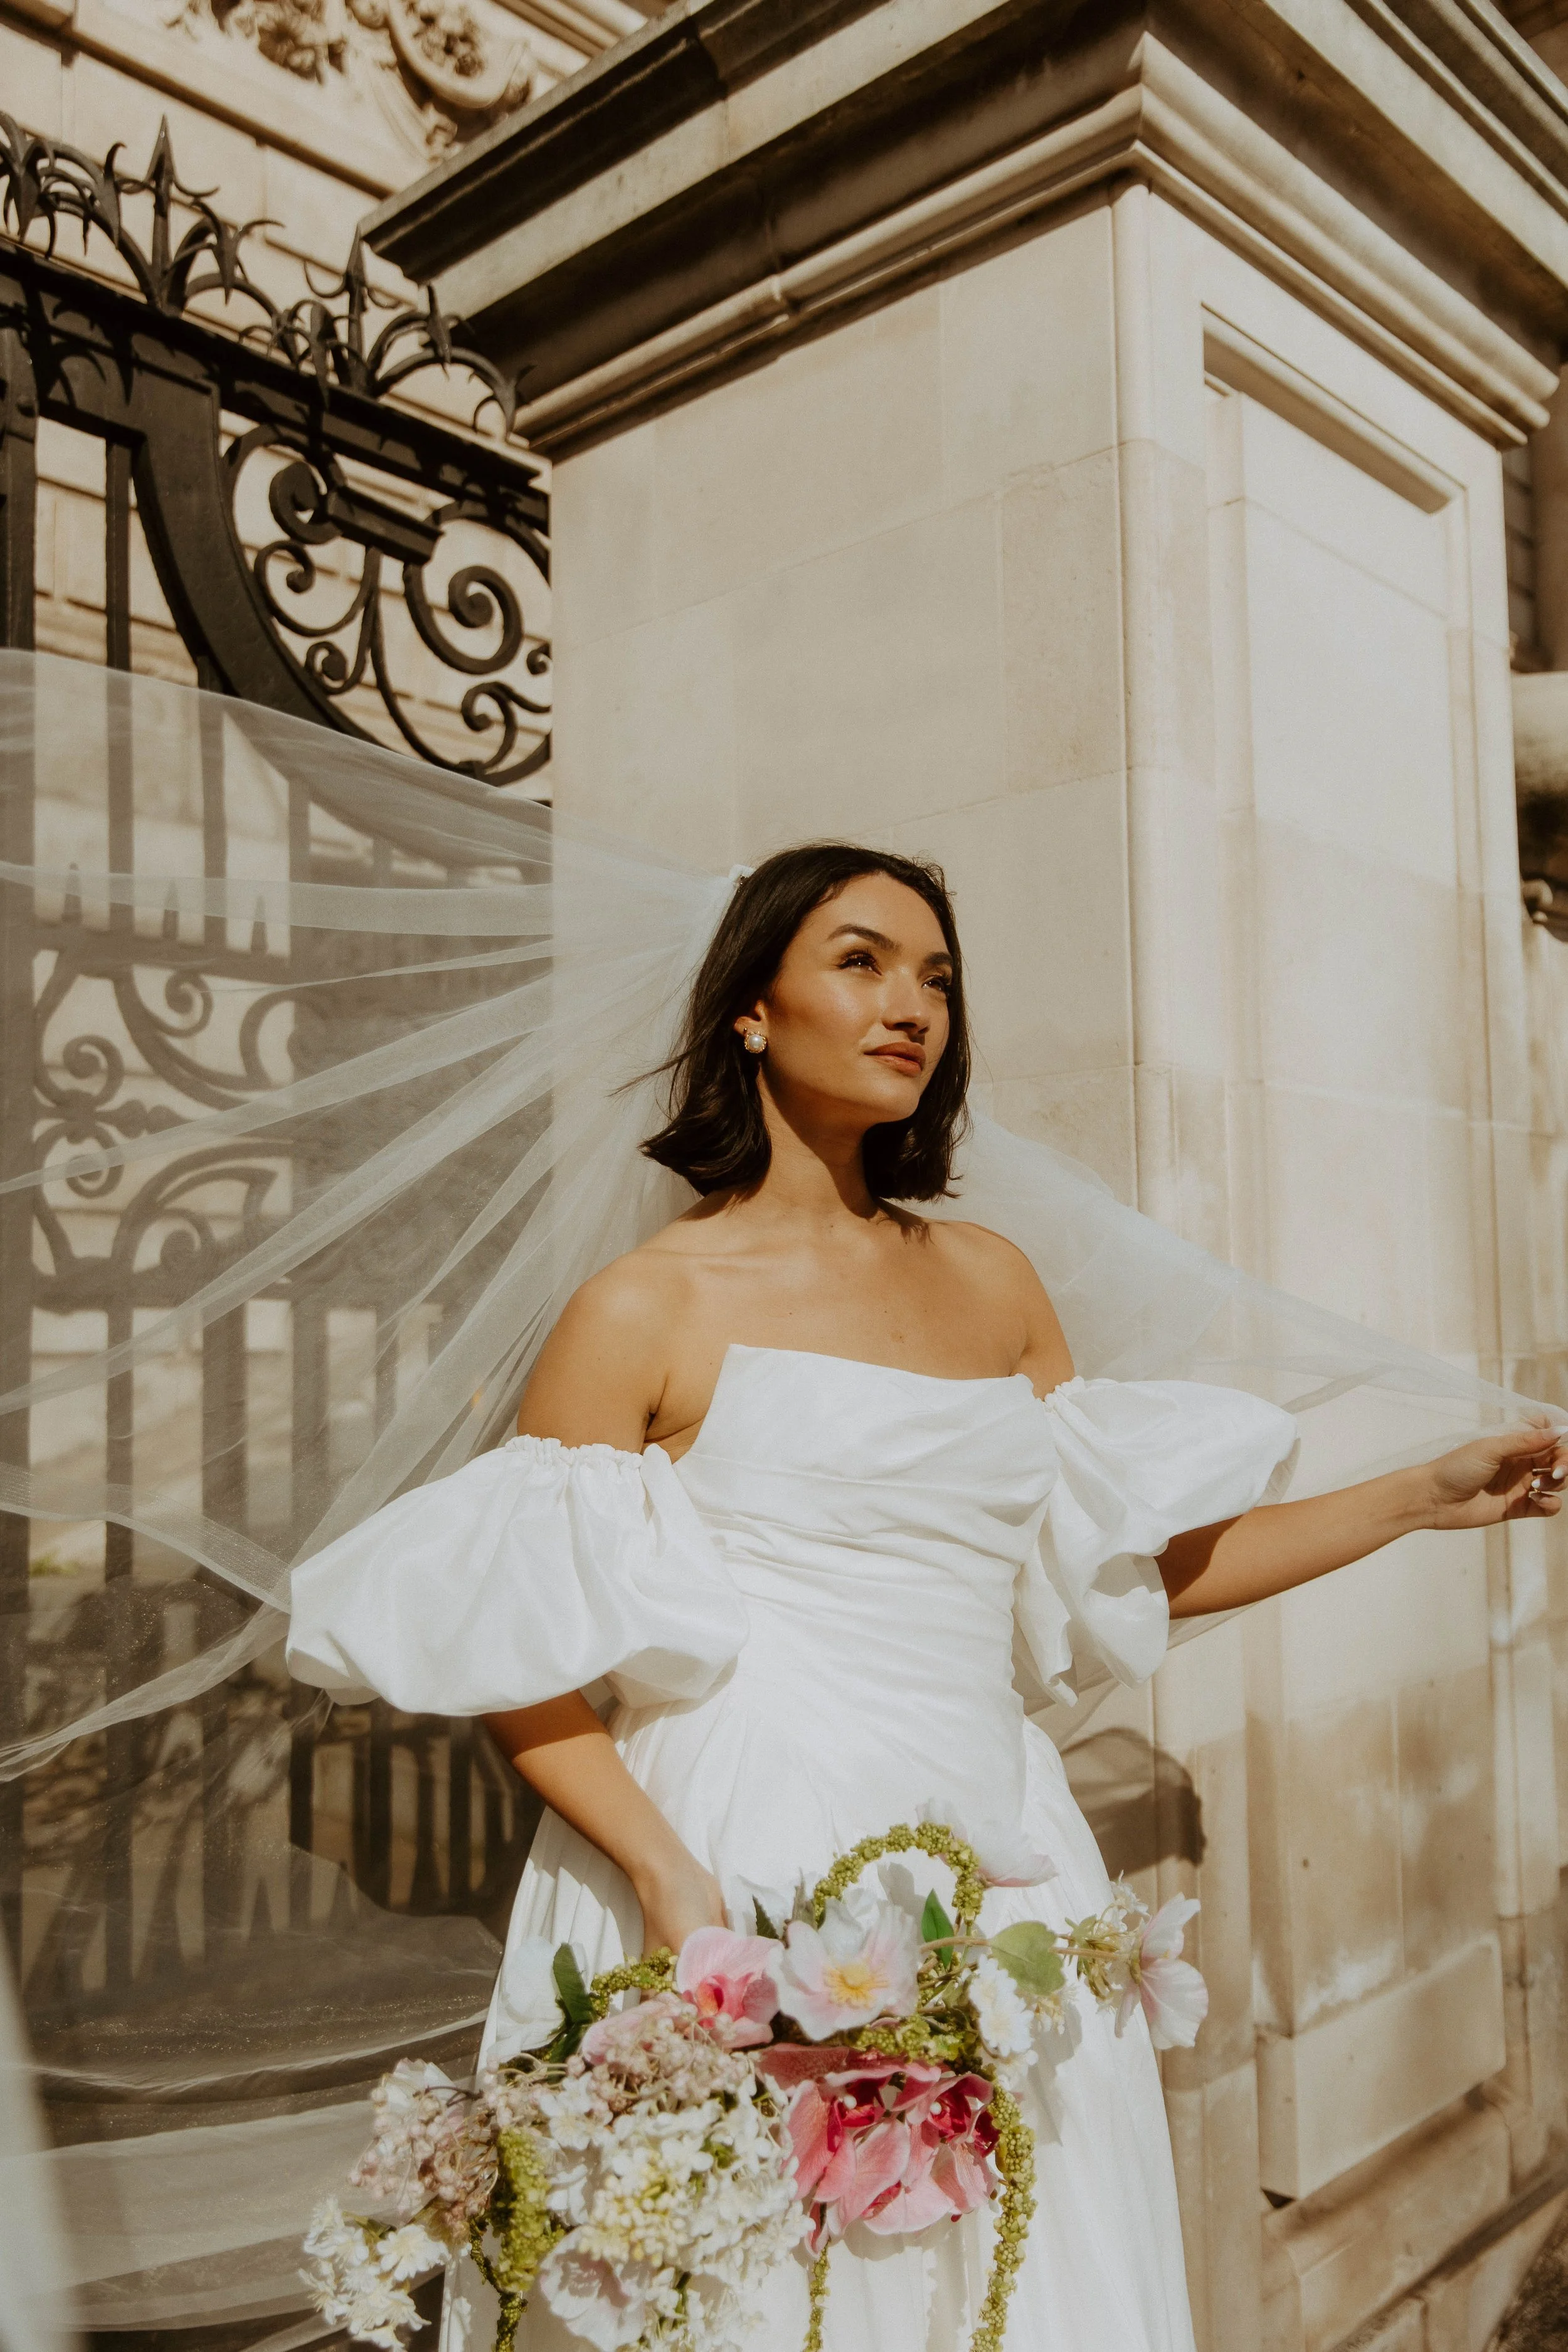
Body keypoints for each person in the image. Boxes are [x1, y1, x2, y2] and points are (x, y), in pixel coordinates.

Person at [287, 842, 1568, 2352]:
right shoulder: (645, 1306)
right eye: (860, 961)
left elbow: (1135, 1571)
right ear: (750, 1008)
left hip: (1003, 1865)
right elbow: (517, 1650)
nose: (910, 1005)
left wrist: (1418, 1497)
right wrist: (665, 1877)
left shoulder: (993, 1282)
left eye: (937, 978)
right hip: (732, 1858)